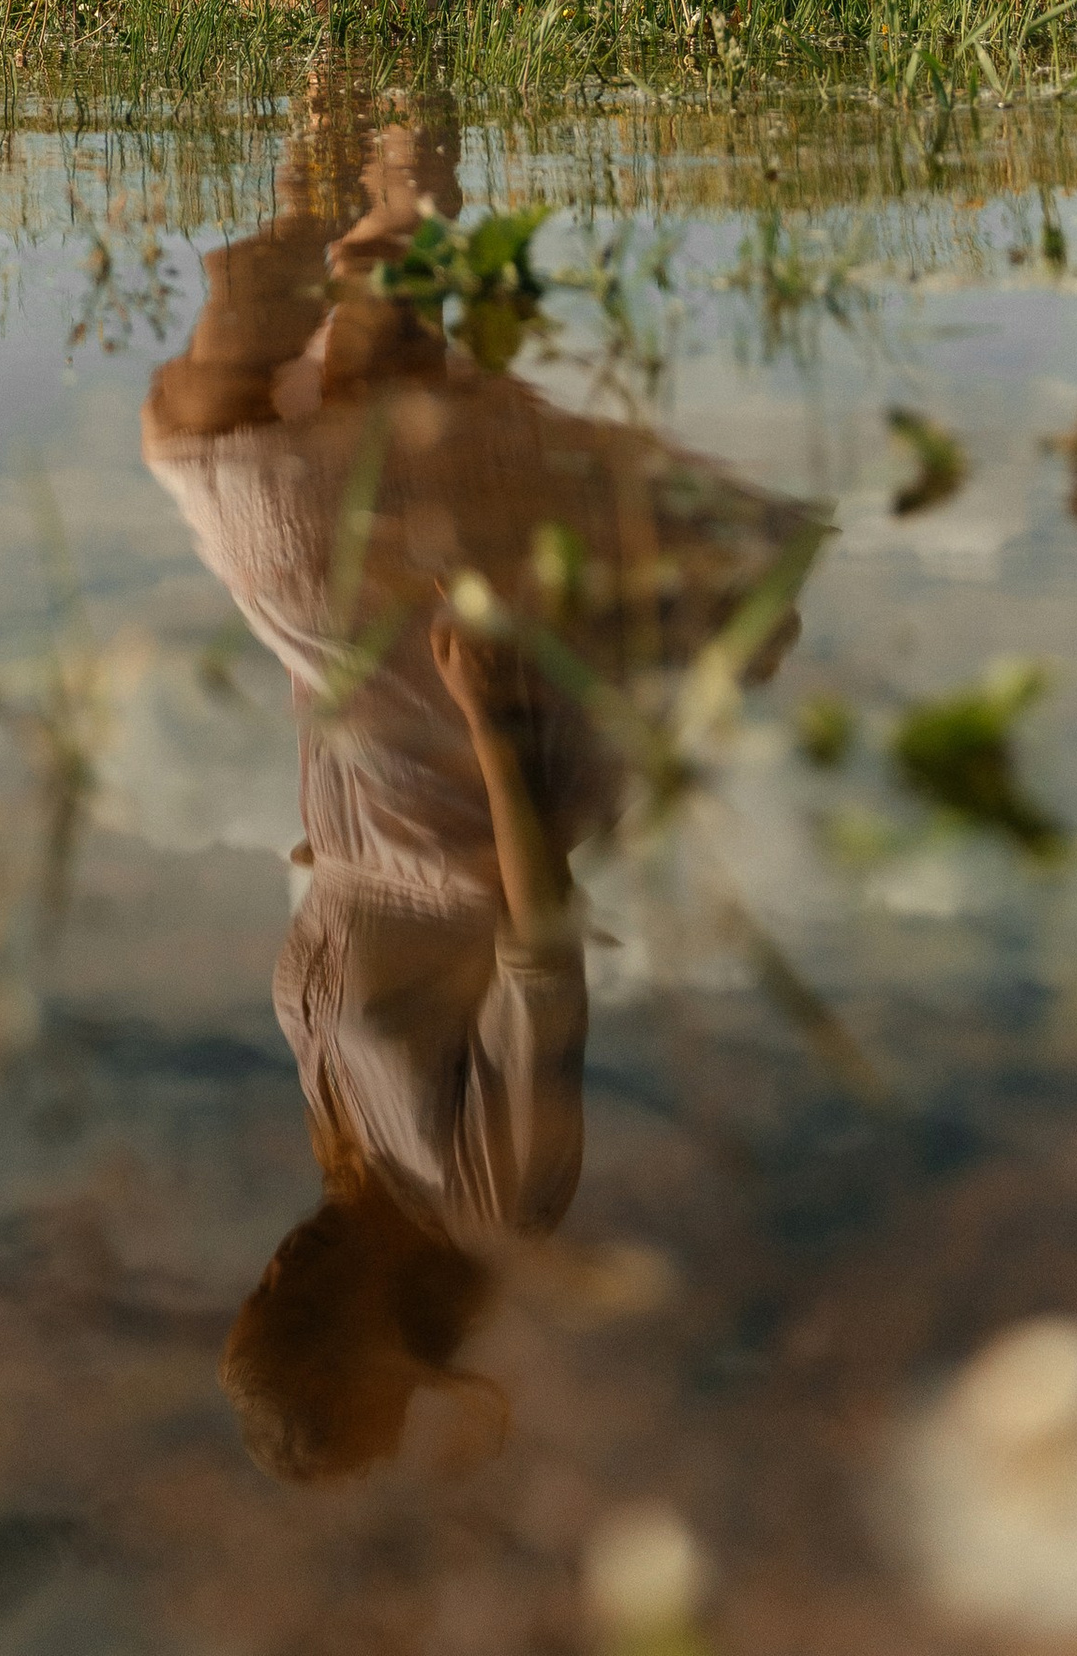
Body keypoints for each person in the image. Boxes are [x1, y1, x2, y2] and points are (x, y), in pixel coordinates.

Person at [140, 89, 824, 1482]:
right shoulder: (493, 1201)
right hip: (464, 744)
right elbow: (543, 953)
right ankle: (393, 51)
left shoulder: (347, 1152)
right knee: (244, 425)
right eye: (287, 1309)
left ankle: (374, 54)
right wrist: (494, 719)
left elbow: (341, 897)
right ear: (354, 1337)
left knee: (322, 389)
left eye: (259, 1298)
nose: (270, 1274)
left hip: (369, 723)